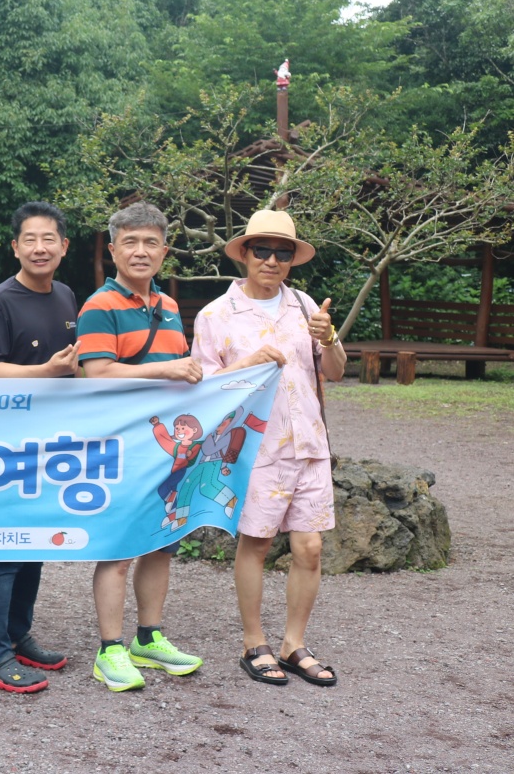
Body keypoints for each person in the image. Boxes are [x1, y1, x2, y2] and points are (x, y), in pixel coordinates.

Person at [192, 210, 344, 688]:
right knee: (256, 544)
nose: (272, 261)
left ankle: (293, 644)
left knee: (311, 548)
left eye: (283, 253)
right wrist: (248, 363)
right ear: (245, 253)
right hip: (255, 449)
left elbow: (335, 371)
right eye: (263, 250)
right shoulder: (216, 315)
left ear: (292, 260)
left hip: (309, 443)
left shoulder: (304, 306)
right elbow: (203, 389)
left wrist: (331, 339)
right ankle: (253, 642)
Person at [76, 202, 205, 693]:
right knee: (118, 548)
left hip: (166, 450)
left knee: (160, 545)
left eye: (150, 242)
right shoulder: (99, 306)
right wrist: (166, 369)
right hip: (121, 448)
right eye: (129, 242)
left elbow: (185, 373)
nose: (140, 251)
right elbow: (97, 373)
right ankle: (109, 649)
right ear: (113, 251)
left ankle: (148, 638)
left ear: (164, 251)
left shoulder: (168, 306)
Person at [0, 202, 84, 693]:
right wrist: (45, 372)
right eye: (29, 239)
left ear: (64, 246)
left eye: (48, 238)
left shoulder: (66, 295)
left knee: (34, 543)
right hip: (6, 444)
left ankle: (17, 635)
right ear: (15, 247)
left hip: (50, 442)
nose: (39, 248)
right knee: (6, 547)